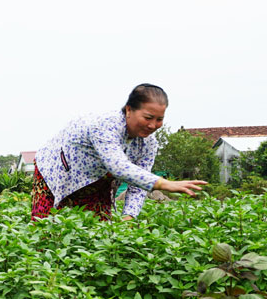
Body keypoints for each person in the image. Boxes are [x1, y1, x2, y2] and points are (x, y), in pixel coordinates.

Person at [32, 84, 206, 221]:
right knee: (47, 229)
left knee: (97, 234)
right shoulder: (105, 125)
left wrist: (128, 217)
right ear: (129, 110)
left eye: (159, 119)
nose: (153, 125)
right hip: (57, 172)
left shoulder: (148, 144)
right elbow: (119, 167)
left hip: (97, 180)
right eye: (147, 118)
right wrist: (164, 184)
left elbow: (139, 184)